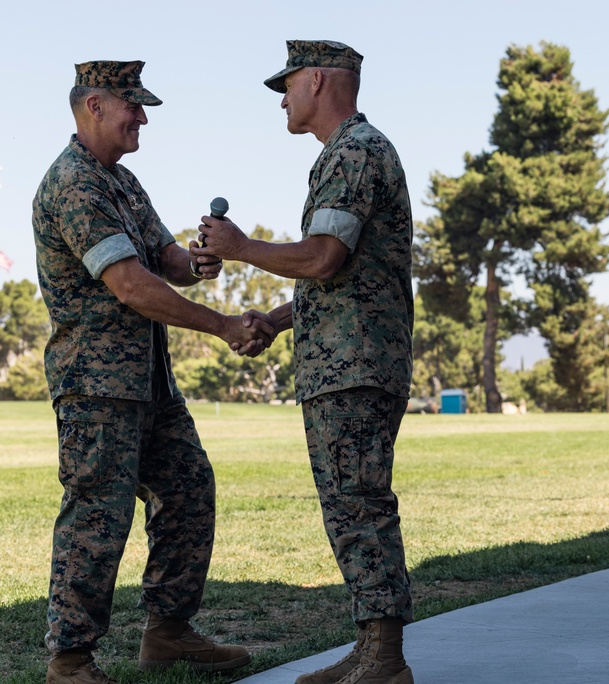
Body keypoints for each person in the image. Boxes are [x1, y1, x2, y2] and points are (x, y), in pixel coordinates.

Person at [32, 60, 270, 684]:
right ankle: (70, 659)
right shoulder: (74, 185)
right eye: (132, 105)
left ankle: (168, 633)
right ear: (93, 108)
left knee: (189, 487)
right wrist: (221, 325)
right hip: (98, 387)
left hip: (149, 383)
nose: (143, 117)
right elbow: (132, 286)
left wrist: (202, 259)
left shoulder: (124, 183)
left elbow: (164, 260)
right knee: (97, 516)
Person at [196, 40, 414, 684]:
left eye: (286, 86)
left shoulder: (353, 152)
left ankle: (385, 658)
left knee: (359, 504)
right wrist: (276, 319)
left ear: (317, 79)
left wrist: (240, 247)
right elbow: (345, 275)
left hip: (354, 366)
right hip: (344, 359)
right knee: (349, 504)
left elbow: (322, 258)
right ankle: (370, 647)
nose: (283, 100)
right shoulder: (350, 152)